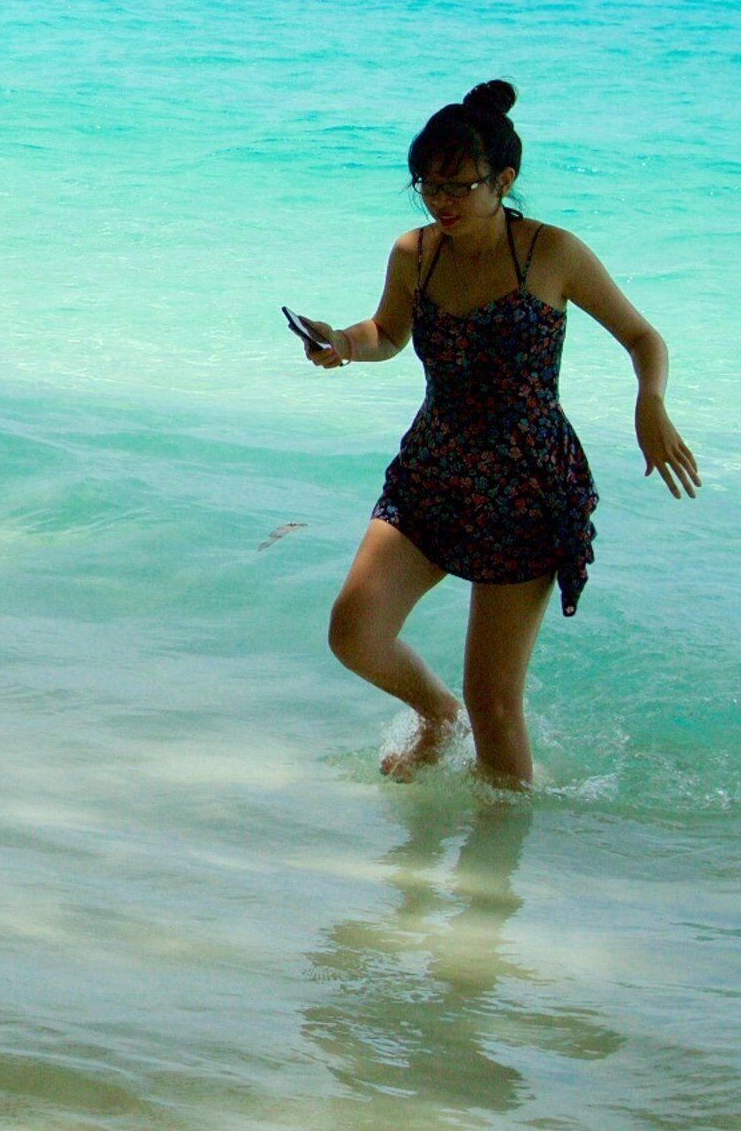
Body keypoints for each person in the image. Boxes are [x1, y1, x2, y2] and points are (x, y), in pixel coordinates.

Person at [290, 82, 699, 787]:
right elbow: (387, 331)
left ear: (503, 181)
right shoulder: (416, 252)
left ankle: (497, 873)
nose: (440, 201)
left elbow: (641, 336)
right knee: (353, 631)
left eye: (459, 186)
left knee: (497, 705)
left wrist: (650, 404)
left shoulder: (552, 253)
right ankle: (435, 714)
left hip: (526, 483)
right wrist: (341, 344)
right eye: (427, 185)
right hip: (433, 470)